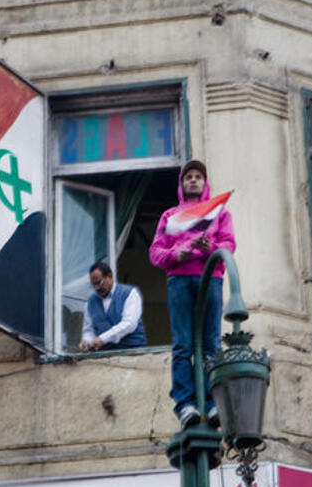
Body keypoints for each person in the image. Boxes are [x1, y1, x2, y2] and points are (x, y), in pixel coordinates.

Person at [149, 160, 236, 428]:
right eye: (189, 177)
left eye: (198, 176)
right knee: (183, 344)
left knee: (211, 343)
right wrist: (177, 254)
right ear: (182, 183)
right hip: (179, 280)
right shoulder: (170, 216)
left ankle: (212, 404)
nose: (194, 180)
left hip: (211, 278)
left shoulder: (219, 212)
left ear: (205, 182)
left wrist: (208, 246)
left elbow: (228, 245)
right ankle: (185, 404)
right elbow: (155, 253)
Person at [79, 261, 147, 352]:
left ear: (109, 276)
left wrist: (103, 339)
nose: (97, 288)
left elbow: (129, 324)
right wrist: (87, 341)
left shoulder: (130, 293)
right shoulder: (90, 303)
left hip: (132, 351)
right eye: (93, 285)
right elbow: (89, 329)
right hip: (105, 355)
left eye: (99, 282)